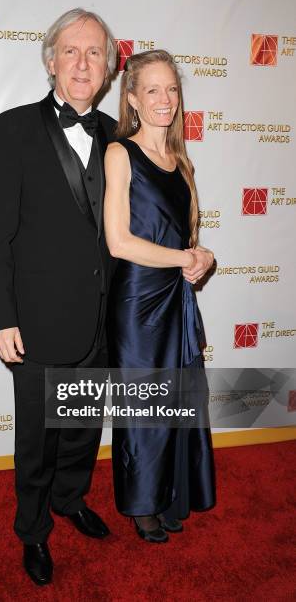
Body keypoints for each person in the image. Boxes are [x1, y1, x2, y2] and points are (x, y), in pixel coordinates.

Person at [0, 9, 117, 586]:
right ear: (50, 60)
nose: (83, 63)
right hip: (34, 321)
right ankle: (33, 531)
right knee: (36, 439)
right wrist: (0, 318)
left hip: (102, 317)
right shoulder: (9, 129)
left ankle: (70, 499)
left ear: (108, 68)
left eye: (95, 54)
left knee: (83, 426)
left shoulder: (118, 137)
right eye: (71, 51)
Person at [104, 50, 216, 543]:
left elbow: (182, 240)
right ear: (132, 98)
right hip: (137, 302)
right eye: (153, 89)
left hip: (175, 296)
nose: (165, 99)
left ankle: (172, 493)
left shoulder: (181, 160)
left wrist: (200, 258)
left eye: (171, 89)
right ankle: (141, 503)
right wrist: (183, 260)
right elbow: (119, 242)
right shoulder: (119, 153)